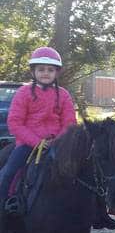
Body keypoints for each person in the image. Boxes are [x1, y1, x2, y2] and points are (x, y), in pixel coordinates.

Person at [0, 47, 76, 210]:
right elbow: (15, 123)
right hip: (28, 144)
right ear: (33, 71)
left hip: (57, 144)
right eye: (41, 69)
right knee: (7, 173)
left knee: (83, 172)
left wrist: (57, 142)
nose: (45, 73)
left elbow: (69, 123)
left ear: (56, 73)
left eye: (50, 70)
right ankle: (5, 207)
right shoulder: (23, 93)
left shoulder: (63, 95)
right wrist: (37, 142)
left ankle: (97, 212)